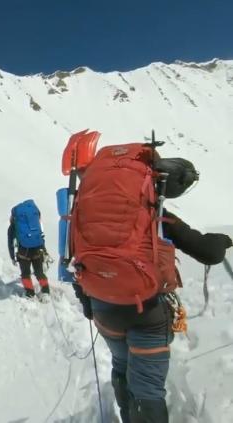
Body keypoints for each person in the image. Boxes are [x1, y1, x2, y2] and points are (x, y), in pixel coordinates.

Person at [68, 144, 232, 423]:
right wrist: (225, 240)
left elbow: (73, 261)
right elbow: (208, 251)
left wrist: (89, 304)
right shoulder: (153, 212)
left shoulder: (84, 210)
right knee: (147, 390)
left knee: (121, 365)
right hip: (147, 311)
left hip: (103, 308)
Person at [7, 199, 49, 297]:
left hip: (23, 252)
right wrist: (44, 249)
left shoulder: (13, 226)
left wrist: (12, 257)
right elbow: (40, 235)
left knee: (25, 274)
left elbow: (10, 243)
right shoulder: (34, 222)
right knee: (39, 272)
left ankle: (30, 293)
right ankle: (46, 291)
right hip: (37, 249)